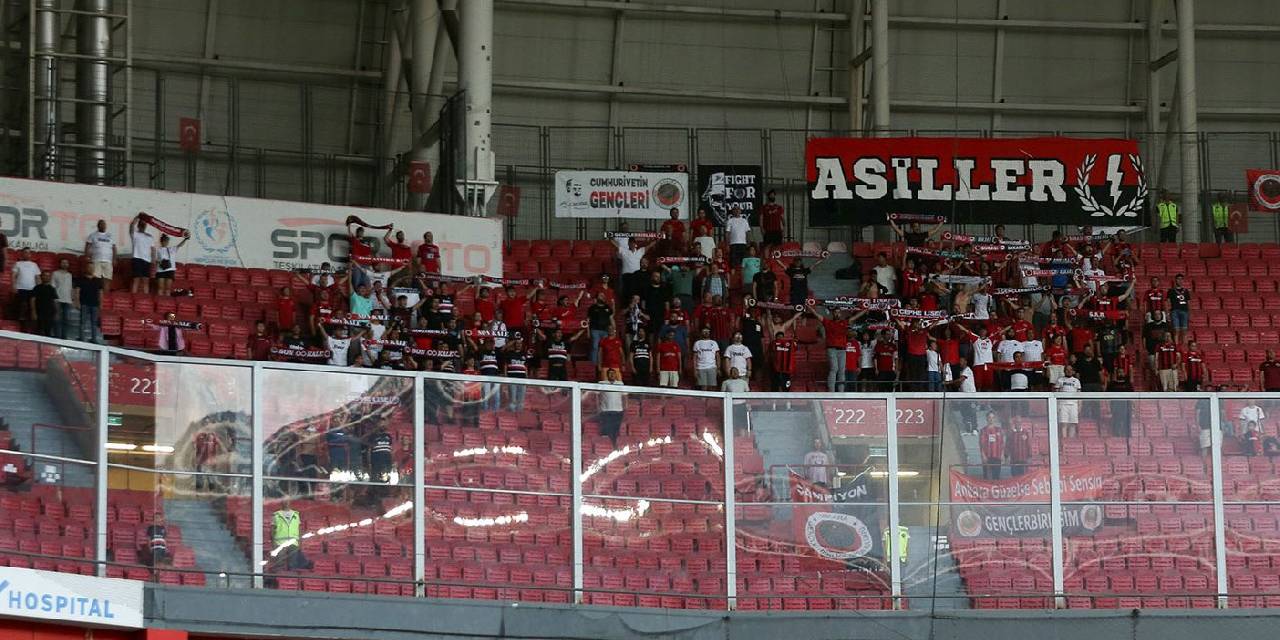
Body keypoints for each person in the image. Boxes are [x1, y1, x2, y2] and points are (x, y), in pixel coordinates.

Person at [272, 497, 311, 570]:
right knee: (279, 563)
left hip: (293, 542)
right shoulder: (276, 515)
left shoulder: (296, 515)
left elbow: (299, 529)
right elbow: (272, 530)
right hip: (280, 542)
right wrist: (274, 543)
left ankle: (291, 579)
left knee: (293, 564)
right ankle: (280, 578)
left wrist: (300, 542)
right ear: (282, 502)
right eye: (284, 501)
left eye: (288, 501)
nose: (286, 502)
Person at [84, 219, 115, 295]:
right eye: (101, 224)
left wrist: (114, 259)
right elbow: (88, 246)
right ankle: (95, 296)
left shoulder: (110, 236)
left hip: (108, 261)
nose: (103, 225)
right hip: (96, 260)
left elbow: (114, 248)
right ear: (98, 226)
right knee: (96, 279)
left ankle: (105, 297)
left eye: (104, 224)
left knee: (107, 279)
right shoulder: (93, 235)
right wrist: (87, 256)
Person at [596, 368, 626, 447]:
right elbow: (597, 395)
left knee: (615, 430)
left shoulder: (620, 384)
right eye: (610, 373)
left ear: (616, 375)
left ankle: (614, 446)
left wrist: (625, 406)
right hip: (605, 410)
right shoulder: (602, 383)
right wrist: (597, 406)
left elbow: (624, 396)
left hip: (618, 410)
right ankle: (606, 447)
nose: (612, 375)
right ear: (607, 375)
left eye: (613, 373)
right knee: (606, 430)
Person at [154, 232, 189, 297]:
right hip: (160, 270)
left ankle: (166, 302)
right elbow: (154, 259)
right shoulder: (157, 249)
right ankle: (160, 302)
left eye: (166, 241)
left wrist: (185, 239)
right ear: (161, 241)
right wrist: (160, 262)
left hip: (170, 270)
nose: (165, 242)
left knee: (168, 288)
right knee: (160, 288)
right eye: (164, 241)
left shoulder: (171, 249)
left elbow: (180, 245)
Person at [10, 248, 39, 326]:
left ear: (30, 254)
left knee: (32, 307)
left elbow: (37, 277)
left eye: (28, 253)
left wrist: (39, 289)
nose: (27, 254)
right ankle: (21, 320)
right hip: (20, 288)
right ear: (22, 254)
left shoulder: (34, 265)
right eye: (25, 252)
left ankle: (29, 325)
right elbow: (13, 276)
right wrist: (13, 286)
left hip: (32, 289)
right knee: (23, 305)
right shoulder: (18, 263)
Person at [73, 272, 103, 344]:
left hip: (95, 304)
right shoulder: (81, 279)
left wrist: (101, 303)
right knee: (82, 322)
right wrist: (77, 301)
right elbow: (77, 291)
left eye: (91, 267)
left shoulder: (98, 280)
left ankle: (94, 339)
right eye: (89, 267)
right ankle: (81, 337)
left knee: (94, 322)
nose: (90, 269)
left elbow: (101, 293)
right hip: (84, 303)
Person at [129, 215, 156, 294]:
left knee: (146, 281)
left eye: (144, 224)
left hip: (147, 260)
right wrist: (137, 217)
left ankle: (145, 298)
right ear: (138, 225)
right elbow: (131, 226)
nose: (143, 225)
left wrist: (153, 260)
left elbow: (153, 249)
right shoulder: (135, 234)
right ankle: (133, 298)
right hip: (137, 259)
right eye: (141, 224)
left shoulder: (150, 236)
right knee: (136, 280)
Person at [1056, 366, 1083, 438]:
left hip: (1073, 405)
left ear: (1073, 371)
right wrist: (1057, 406)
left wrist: (1080, 406)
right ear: (1064, 371)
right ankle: (1064, 441)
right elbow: (1056, 394)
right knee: (1063, 424)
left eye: (1071, 370)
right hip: (1063, 404)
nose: (1069, 371)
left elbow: (1079, 394)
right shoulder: (1060, 380)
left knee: (1073, 424)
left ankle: (1070, 442)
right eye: (1067, 370)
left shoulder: (1076, 381)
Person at [586, 293, 614, 364]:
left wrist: (614, 330)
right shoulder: (592, 308)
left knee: (605, 347)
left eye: (604, 296)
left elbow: (611, 319)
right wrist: (588, 331)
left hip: (605, 331)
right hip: (595, 330)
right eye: (601, 296)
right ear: (597, 298)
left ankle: (604, 363)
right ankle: (593, 365)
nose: (603, 297)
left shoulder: (607, 307)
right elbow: (587, 320)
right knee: (595, 347)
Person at [29, 273, 59, 337]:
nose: (46, 277)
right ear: (41, 277)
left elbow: (55, 301)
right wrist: (33, 312)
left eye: (48, 276)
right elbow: (32, 300)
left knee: (48, 332)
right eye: (45, 275)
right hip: (39, 312)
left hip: (49, 313)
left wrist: (56, 313)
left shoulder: (52, 289)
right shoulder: (37, 288)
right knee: (38, 331)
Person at [691, 326, 721, 391]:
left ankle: (711, 401)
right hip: (701, 368)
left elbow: (717, 356)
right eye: (704, 331)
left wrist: (718, 368)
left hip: (712, 367)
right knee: (703, 388)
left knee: (712, 387)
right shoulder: (697, 343)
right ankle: (703, 401)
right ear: (701, 333)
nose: (706, 333)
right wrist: (695, 370)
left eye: (707, 331)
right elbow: (694, 358)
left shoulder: (714, 343)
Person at [51, 259, 74, 339]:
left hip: (67, 300)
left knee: (66, 320)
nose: (65, 264)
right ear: (60, 264)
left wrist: (72, 299)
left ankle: (64, 337)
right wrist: (54, 299)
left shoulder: (70, 275)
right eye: (63, 263)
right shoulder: (55, 273)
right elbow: (53, 287)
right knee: (57, 319)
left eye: (66, 263)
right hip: (58, 299)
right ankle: (57, 336)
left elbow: (71, 288)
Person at [978, 413, 1005, 480]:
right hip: (987, 457)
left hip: (997, 457)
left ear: (995, 419)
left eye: (993, 417)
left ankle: (995, 490)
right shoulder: (983, 430)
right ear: (987, 418)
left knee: (996, 477)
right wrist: (983, 455)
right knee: (987, 478)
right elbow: (981, 444)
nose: (991, 419)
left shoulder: (999, 430)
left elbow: (1002, 443)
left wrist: (1002, 454)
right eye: (989, 417)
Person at [1167, 273, 1192, 344]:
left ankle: (1184, 347)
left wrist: (1190, 313)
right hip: (1175, 311)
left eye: (1181, 279)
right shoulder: (1171, 291)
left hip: (1184, 311)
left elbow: (1189, 302)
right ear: (1175, 280)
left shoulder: (1186, 291)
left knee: (1184, 330)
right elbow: (1168, 302)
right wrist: (1168, 313)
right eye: (1178, 279)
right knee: (1176, 330)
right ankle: (1176, 347)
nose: (1180, 281)